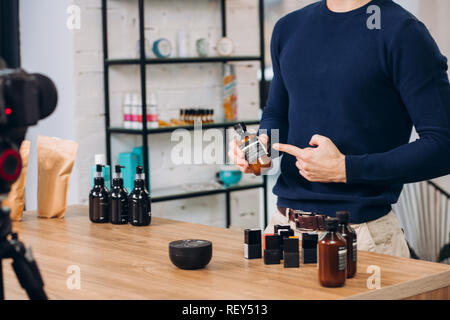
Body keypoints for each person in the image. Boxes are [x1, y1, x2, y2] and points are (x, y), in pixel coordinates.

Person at [229, 0, 450, 258]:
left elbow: (443, 146)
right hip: (282, 229)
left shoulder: (403, 32)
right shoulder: (289, 27)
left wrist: (346, 169)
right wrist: (261, 148)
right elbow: (278, 113)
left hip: (360, 237)